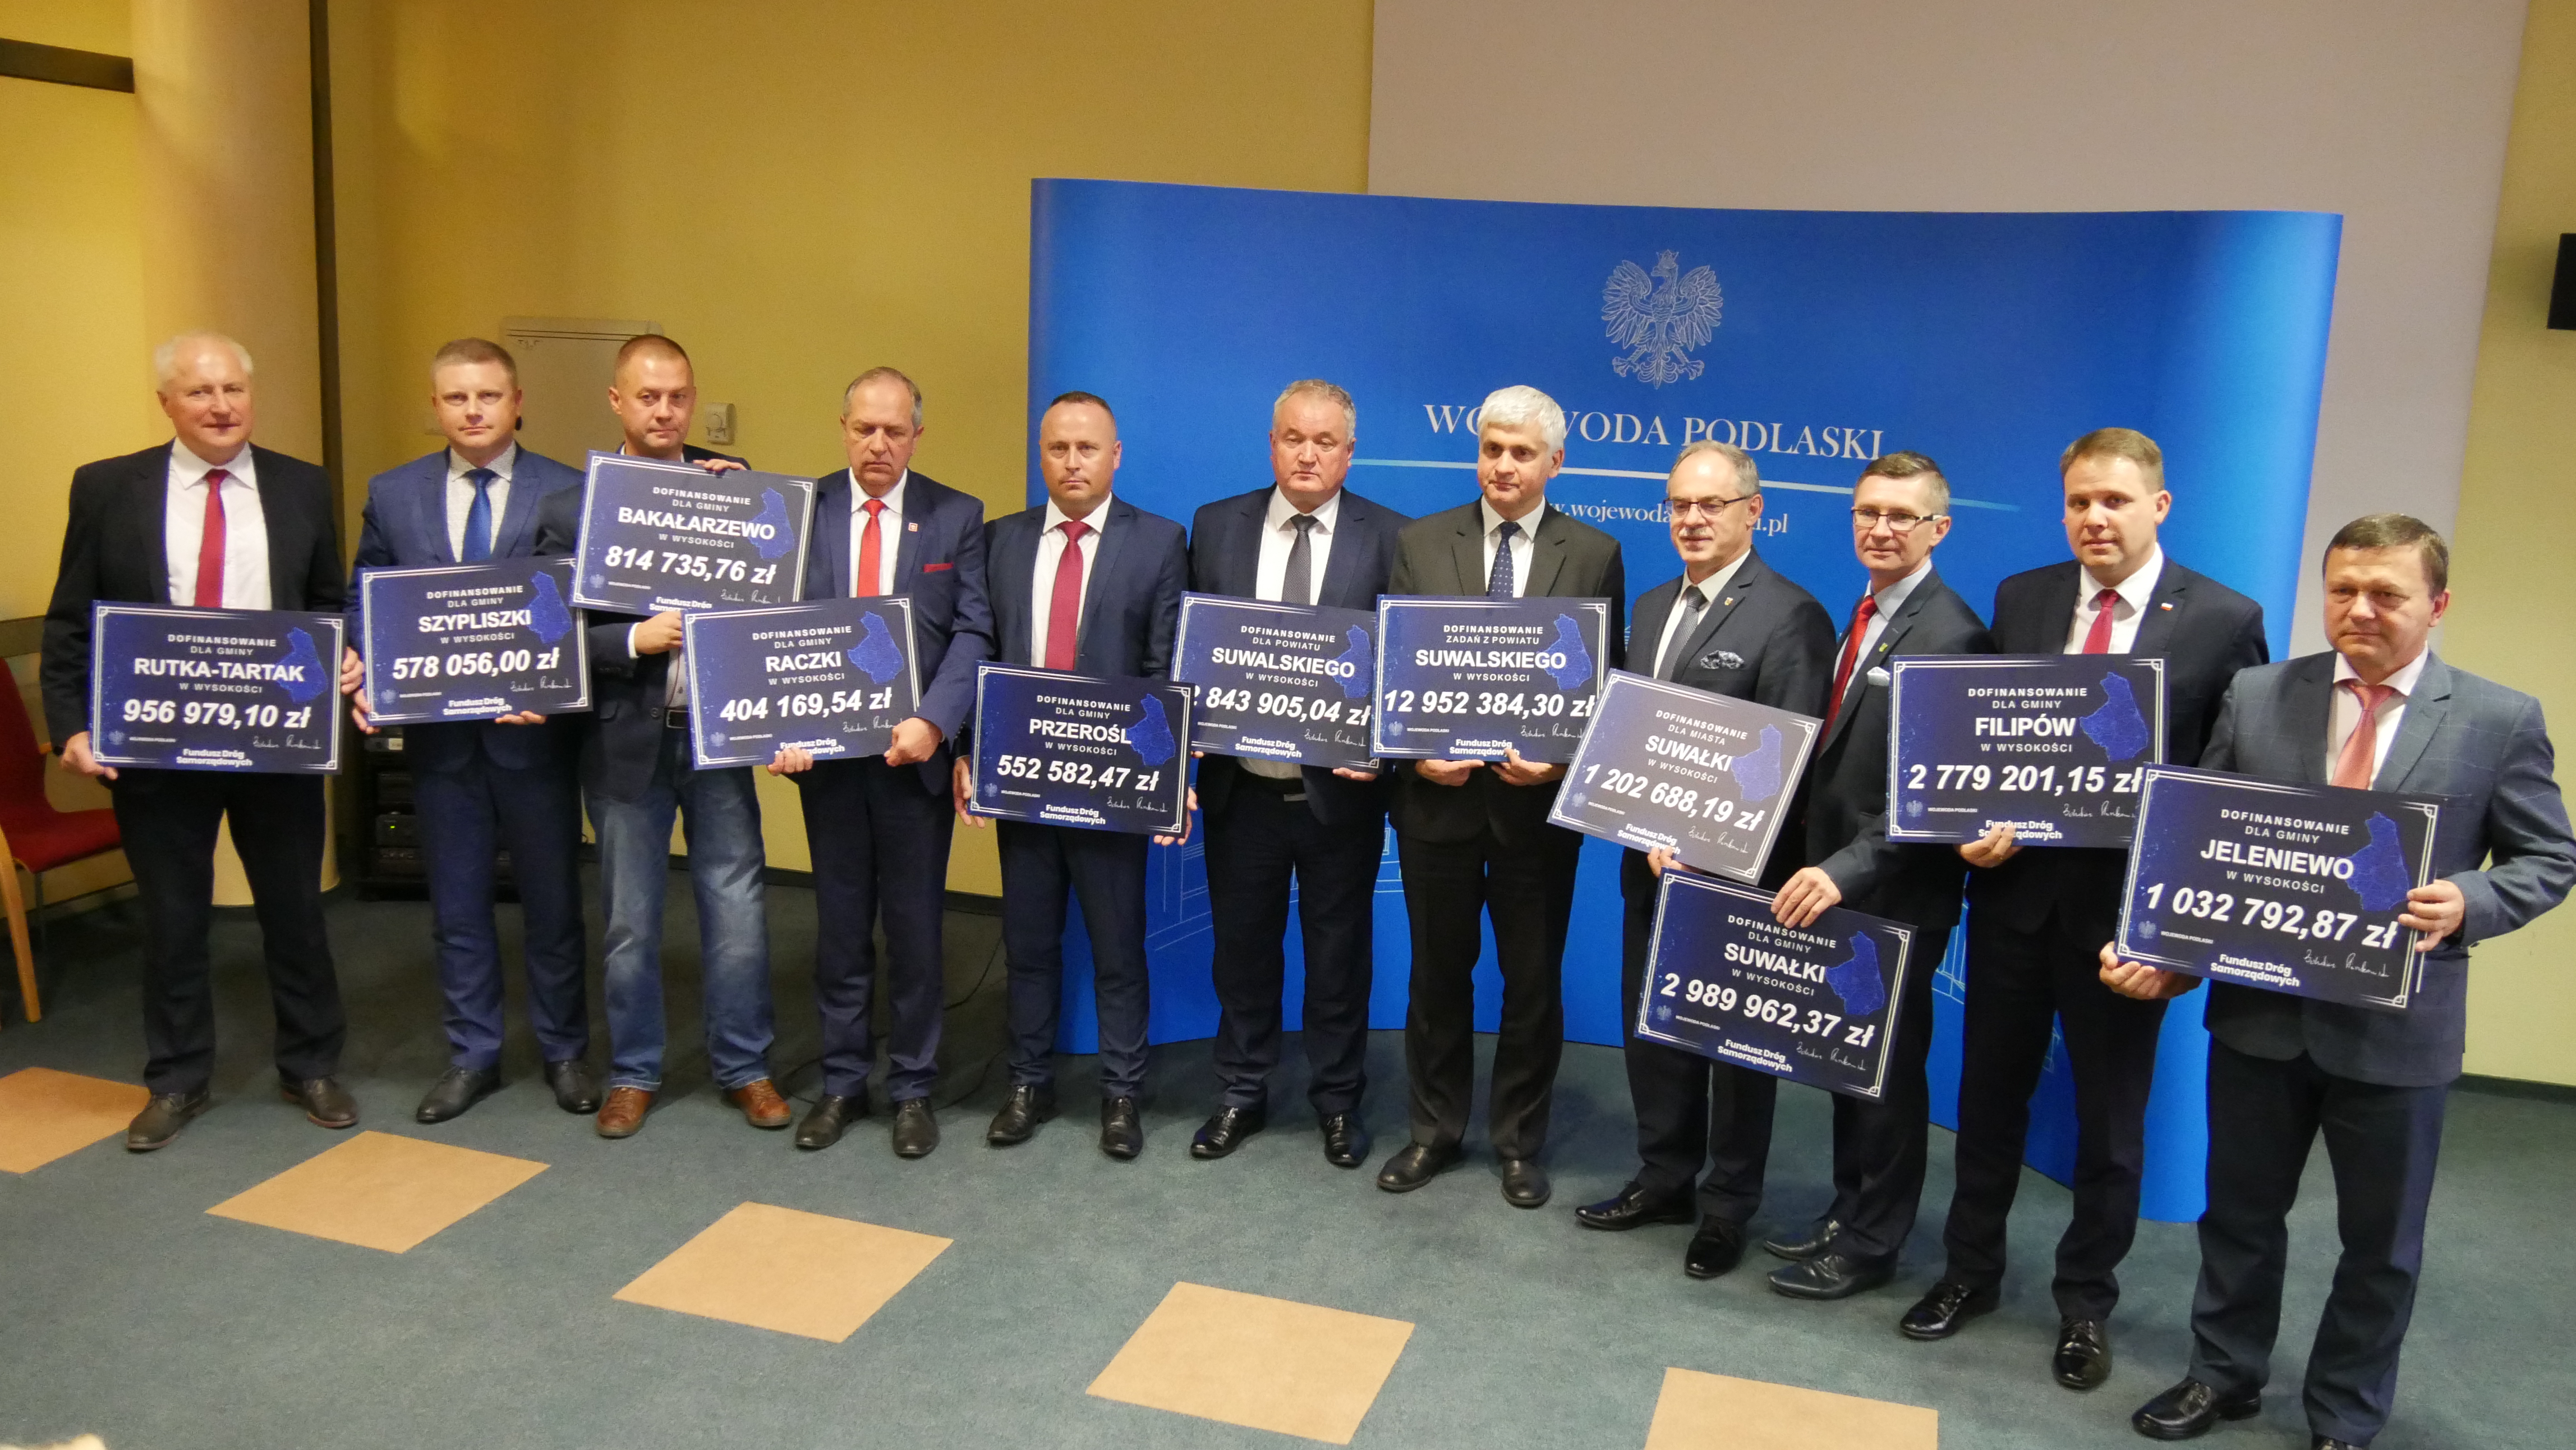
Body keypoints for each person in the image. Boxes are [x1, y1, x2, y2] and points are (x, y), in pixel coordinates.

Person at [2109, 515, 2572, 1450]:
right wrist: (2167, 951)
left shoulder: (2498, 718)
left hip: (2399, 1032)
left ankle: (2345, 1415)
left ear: (2437, 605)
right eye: (2343, 590)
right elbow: (2203, 843)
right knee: (2239, 1217)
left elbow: (2549, 857)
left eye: (2387, 594)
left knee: (2380, 1245)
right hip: (2261, 1019)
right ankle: (2222, 1374)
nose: (2360, 609)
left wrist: (2472, 899)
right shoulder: (2259, 693)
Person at [1902, 428, 2267, 1392]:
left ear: (2160, 505)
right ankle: (1969, 1273)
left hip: (2125, 924)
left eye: (2114, 500)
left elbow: (2224, 786)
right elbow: (1984, 741)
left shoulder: (2224, 621)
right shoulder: (2023, 598)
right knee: (1988, 1100)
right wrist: (1969, 827)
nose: (2094, 518)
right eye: (2078, 502)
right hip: (2014, 903)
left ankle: (2085, 1305)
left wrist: (2175, 929)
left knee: (2110, 1126)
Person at [42, 332, 366, 1150]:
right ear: (167, 403)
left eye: (233, 390)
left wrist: (345, 654)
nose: (221, 407)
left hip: (276, 746)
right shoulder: (107, 488)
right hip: (158, 750)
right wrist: (70, 726)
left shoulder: (301, 485)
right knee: (174, 921)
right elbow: (72, 617)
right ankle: (177, 1078)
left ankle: (311, 1065)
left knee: (295, 914)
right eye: (199, 392)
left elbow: (326, 602)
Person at [1570, 439, 1833, 1269]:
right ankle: (1663, 1177)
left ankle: (1726, 1208)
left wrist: (1704, 843)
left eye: (1710, 505)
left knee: (1733, 1045)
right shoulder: (1652, 607)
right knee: (1652, 1026)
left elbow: (1789, 762)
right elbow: (1632, 734)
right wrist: (1639, 823)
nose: (1691, 519)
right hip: (1647, 867)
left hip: (1736, 878)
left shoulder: (1791, 614)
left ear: (1753, 512)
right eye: (1679, 504)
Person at [1376, 385, 1625, 1209]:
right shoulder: (1419, 542)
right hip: (1437, 809)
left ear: (1556, 462)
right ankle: (1433, 1132)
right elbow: (1394, 672)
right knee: (1435, 981)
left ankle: (1519, 1143)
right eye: (1492, 449)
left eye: (1522, 453)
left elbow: (1605, 689)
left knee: (1532, 987)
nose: (1504, 466)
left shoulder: (1594, 553)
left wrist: (1560, 767)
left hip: (1535, 817)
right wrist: (1415, 758)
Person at [1752, 452, 1993, 1298]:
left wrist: (1845, 870)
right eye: (1868, 512)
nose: (1881, 529)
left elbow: (1934, 793)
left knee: (1886, 1073)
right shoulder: (1861, 613)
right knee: (1845, 1059)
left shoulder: (1954, 635)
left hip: (1894, 892)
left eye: (1901, 516)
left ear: (1939, 529)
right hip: (1833, 881)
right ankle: (1849, 1207)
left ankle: (1872, 1243)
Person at [531, 334, 783, 1139]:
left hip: (716, 738)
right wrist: (631, 640)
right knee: (631, 923)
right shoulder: (571, 509)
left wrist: (754, 508)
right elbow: (546, 637)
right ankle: (634, 1072)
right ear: (617, 401)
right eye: (648, 397)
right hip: (622, 743)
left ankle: (745, 1067)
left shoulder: (731, 488)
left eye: (678, 396)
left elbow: (773, 594)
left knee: (737, 911)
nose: (665, 411)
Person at [346, 338, 596, 1125]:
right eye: (457, 398)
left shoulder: (570, 489)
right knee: (456, 906)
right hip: (441, 742)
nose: (474, 411)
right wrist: (365, 662)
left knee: (552, 905)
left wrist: (551, 681)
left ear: (517, 402)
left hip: (535, 741)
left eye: (489, 396)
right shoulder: (394, 494)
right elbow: (366, 592)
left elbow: (586, 606)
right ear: (436, 406)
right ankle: (472, 1054)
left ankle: (564, 1051)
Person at [767, 368, 993, 1158]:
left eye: (895, 431)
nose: (878, 444)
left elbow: (973, 631)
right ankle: (840, 1083)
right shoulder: (800, 510)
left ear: (916, 437)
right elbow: (770, 629)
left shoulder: (957, 516)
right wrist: (778, 725)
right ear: (843, 428)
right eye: (865, 428)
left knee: (916, 931)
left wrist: (937, 722)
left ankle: (913, 1087)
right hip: (828, 765)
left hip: (913, 762)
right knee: (839, 930)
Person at [1184, 380, 1408, 1168]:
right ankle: (1241, 1091)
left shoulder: (1393, 537)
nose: (1307, 455)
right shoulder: (1216, 526)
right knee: (1242, 950)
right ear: (1272, 442)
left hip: (1338, 798)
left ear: (1349, 452)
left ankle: (1338, 1101)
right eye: (1292, 438)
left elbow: (1405, 670)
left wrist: (1380, 748)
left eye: (1324, 442)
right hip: (1241, 789)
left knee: (1338, 958)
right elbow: (1190, 646)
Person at [960, 391, 1187, 1159]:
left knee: (1119, 949)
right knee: (1029, 945)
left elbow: (1162, 666)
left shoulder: (1159, 542)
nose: (1072, 462)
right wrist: (968, 753)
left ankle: (1122, 1094)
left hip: (1113, 791)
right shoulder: (1000, 540)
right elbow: (980, 654)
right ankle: (1028, 1083)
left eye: (1088, 448)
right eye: (1058, 448)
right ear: (1042, 454)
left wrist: (1166, 776)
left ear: (1115, 456)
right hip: (1023, 782)